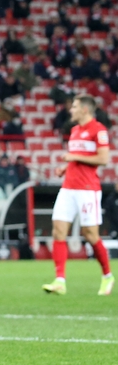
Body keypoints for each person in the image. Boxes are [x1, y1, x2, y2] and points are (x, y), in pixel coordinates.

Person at [43, 95, 113, 296]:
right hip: (68, 187)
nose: (70, 110)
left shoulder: (98, 130)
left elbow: (103, 158)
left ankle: (108, 275)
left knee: (90, 235)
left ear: (84, 109)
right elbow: (80, 158)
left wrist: (73, 157)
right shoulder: (74, 131)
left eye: (74, 107)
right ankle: (60, 280)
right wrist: (66, 167)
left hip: (87, 189)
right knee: (58, 230)